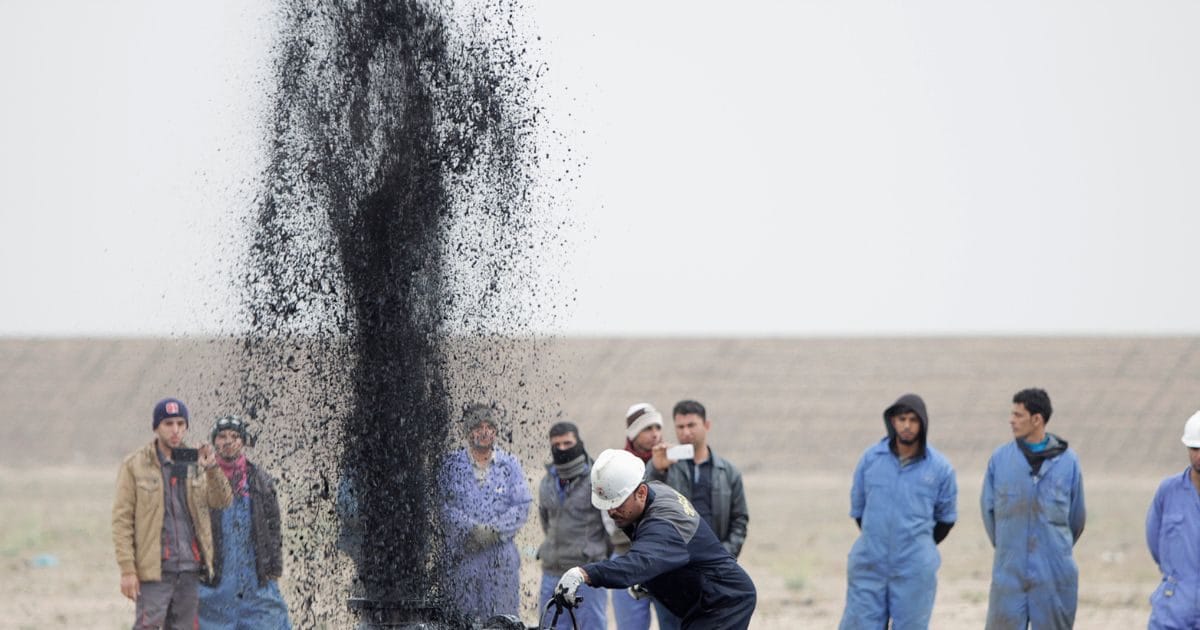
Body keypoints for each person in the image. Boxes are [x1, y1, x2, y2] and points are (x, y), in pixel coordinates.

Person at [554, 449, 756, 630]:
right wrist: (652, 580)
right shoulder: (652, 494)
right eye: (607, 505)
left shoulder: (663, 523)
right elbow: (671, 556)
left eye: (617, 503)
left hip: (723, 602)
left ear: (641, 493)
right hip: (704, 600)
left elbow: (638, 563)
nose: (612, 511)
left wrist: (584, 573)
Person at [111, 398, 233, 629]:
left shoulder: (195, 461)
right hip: (155, 569)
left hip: (189, 566)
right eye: (168, 423)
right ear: (156, 427)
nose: (175, 430)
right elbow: (122, 521)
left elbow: (222, 500)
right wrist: (127, 570)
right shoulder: (135, 465)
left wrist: (211, 468)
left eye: (180, 423)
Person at [839, 393, 958, 629]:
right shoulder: (871, 460)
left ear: (922, 424)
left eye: (913, 420)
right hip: (870, 565)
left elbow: (945, 519)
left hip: (914, 569)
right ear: (892, 421)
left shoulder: (940, 468)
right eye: (902, 419)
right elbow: (860, 511)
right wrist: (880, 540)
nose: (907, 425)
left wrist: (916, 544)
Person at [981, 388, 1086, 629]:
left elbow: (1077, 518)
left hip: (1054, 573)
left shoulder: (1068, 462)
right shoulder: (1000, 459)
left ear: (1037, 419)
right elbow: (989, 511)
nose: (1011, 420)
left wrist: (1053, 548)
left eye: (1018, 415)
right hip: (1009, 573)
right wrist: (1010, 545)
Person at [647, 400, 749, 630]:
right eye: (680, 427)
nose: (686, 432)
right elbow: (643, 505)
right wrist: (657, 469)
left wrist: (724, 557)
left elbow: (740, 520)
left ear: (707, 425)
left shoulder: (728, 472)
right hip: (674, 571)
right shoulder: (666, 467)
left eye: (691, 425)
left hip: (715, 572)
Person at [440, 403, 532, 621]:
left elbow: (521, 506)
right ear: (467, 432)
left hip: (500, 561)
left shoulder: (510, 465)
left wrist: (493, 531)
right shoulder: (451, 465)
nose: (483, 432)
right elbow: (443, 507)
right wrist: (472, 530)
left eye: (489, 426)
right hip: (464, 557)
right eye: (477, 427)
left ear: (495, 431)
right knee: (462, 620)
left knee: (502, 619)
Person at [198, 415, 291, 629]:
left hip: (255, 581)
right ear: (214, 442)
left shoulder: (260, 480)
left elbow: (273, 527)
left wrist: (273, 570)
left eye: (234, 436)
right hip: (216, 582)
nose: (228, 441)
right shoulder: (201, 480)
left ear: (244, 441)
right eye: (221, 436)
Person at [536, 422, 611, 629]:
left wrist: (592, 554)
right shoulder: (547, 481)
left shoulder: (597, 479)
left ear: (579, 442)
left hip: (586, 576)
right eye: (556, 444)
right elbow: (546, 520)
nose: (562, 449)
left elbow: (610, 528)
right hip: (552, 572)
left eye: (567, 442)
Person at [609, 403, 665, 630]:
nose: (655, 434)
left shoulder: (671, 464)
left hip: (664, 561)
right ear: (633, 434)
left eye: (657, 427)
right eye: (647, 428)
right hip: (627, 557)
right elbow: (610, 515)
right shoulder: (617, 466)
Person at [1145, 409, 1200, 629]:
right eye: (1194, 448)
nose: (1198, 455)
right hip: (1173, 608)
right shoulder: (1168, 491)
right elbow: (1153, 540)